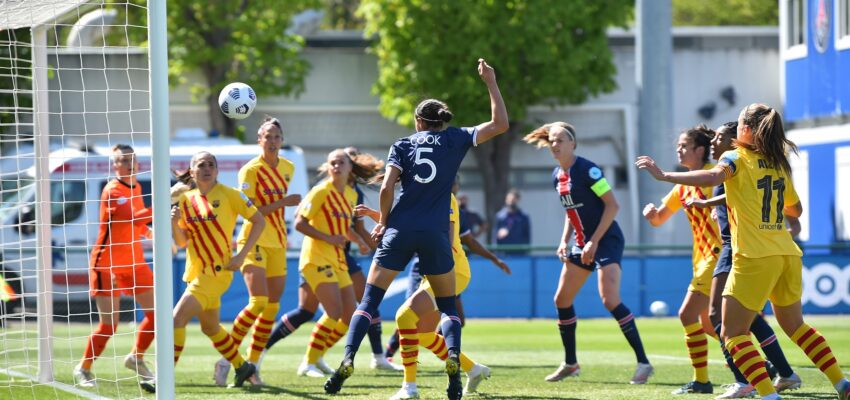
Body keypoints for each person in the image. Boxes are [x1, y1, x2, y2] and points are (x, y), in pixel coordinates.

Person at [636, 103, 850, 400]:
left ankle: (768, 395)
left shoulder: (735, 156)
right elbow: (795, 211)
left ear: (747, 129)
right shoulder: (778, 162)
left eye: (738, 124)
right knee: (796, 327)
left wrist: (664, 176)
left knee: (732, 334)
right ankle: (842, 383)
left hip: (753, 256)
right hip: (786, 254)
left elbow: (713, 178)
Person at [323, 58, 508, 400]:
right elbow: (500, 124)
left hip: (400, 231)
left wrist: (382, 222)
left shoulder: (404, 144)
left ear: (418, 121)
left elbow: (386, 187)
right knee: (449, 307)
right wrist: (490, 83)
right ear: (441, 121)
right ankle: (453, 359)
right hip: (436, 235)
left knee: (368, 301)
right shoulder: (456, 139)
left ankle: (348, 358)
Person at [523, 122, 653, 384]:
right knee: (562, 299)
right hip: (583, 243)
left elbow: (613, 206)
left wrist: (594, 241)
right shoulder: (556, 175)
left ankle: (643, 363)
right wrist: (564, 241)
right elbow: (572, 212)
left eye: (560, 140)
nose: (555, 145)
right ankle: (571, 364)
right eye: (552, 141)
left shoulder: (588, 170)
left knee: (609, 299)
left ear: (573, 144)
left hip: (606, 240)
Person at [357, 185, 510, 399]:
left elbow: (445, 237)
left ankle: (409, 387)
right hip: (436, 271)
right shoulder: (423, 197)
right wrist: (376, 216)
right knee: (423, 334)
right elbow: (403, 227)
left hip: (450, 271)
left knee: (404, 316)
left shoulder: (443, 197)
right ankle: (473, 369)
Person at [686, 121, 802, 399]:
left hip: (735, 249)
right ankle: (782, 373)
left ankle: (748, 379)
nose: (715, 142)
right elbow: (744, 195)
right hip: (742, 249)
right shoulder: (748, 166)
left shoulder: (731, 163)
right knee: (740, 319)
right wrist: (710, 205)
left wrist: (664, 176)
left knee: (720, 318)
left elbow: (736, 189)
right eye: (712, 138)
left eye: (720, 137)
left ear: (736, 140)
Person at [214, 116, 302, 386]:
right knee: (258, 302)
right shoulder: (249, 171)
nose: (273, 141)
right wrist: (284, 202)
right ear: (259, 140)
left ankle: (252, 367)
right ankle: (227, 360)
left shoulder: (288, 166)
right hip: (253, 241)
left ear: (282, 140)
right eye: (268, 136)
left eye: (277, 136)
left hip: (277, 242)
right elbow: (251, 213)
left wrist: (284, 207)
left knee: (272, 308)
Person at [171, 151, 266, 389]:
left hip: (218, 271)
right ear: (192, 171)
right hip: (197, 272)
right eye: (201, 165)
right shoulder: (186, 199)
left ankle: (165, 377)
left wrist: (241, 256)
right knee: (210, 327)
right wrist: (174, 222)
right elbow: (183, 242)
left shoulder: (231, 195)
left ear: (217, 170)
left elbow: (259, 221)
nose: (206, 168)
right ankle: (242, 367)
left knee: (176, 319)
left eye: (211, 164)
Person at [641, 125, 720, 394]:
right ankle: (758, 364)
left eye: (684, 146)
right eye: (679, 146)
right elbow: (659, 220)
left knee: (687, 314)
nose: (679, 149)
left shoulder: (713, 175)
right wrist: (651, 214)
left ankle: (702, 381)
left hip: (717, 256)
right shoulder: (683, 186)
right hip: (701, 260)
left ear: (700, 150)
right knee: (712, 324)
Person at [294, 149, 384, 378]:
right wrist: (329, 238)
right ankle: (307, 364)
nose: (336, 166)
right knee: (332, 311)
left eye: (341, 162)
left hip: (337, 258)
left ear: (350, 168)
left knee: (349, 314)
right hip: (315, 257)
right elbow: (299, 223)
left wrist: (360, 241)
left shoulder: (351, 196)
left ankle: (316, 358)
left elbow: (345, 227)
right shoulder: (320, 191)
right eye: (332, 162)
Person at [73, 144, 156, 391]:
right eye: (123, 160)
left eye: (132, 159)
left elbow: (137, 222)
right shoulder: (112, 190)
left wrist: (150, 232)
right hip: (106, 264)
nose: (129, 163)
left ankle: (135, 358)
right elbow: (132, 217)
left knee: (159, 316)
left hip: (134, 261)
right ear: (115, 165)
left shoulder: (137, 187)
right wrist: (166, 200)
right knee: (109, 325)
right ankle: (83, 367)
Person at [494, 189, 531, 254]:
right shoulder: (500, 217)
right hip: (503, 254)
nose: (511, 202)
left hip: (519, 254)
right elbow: (495, 238)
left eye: (513, 200)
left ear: (518, 200)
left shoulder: (524, 217)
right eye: (509, 199)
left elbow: (527, 237)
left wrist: (525, 251)